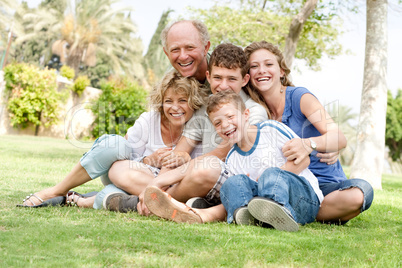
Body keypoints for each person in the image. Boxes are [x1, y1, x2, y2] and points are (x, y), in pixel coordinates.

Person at [106, 43, 268, 219]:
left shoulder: (252, 111)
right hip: (194, 178)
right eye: (218, 78)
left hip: (228, 179)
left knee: (207, 168)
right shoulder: (205, 107)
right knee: (118, 169)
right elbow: (179, 152)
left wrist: (161, 183)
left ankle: (150, 203)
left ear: (244, 80)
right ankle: (172, 200)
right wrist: (156, 184)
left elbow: (222, 153)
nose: (223, 85)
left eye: (231, 79)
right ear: (208, 76)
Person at [18, 71, 206, 208]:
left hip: (154, 185)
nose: (175, 107)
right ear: (161, 101)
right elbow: (125, 157)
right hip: (128, 173)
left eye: (183, 101)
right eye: (169, 101)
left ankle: (82, 201)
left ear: (193, 102)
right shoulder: (149, 120)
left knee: (112, 195)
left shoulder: (198, 128)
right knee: (116, 147)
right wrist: (150, 160)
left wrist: (184, 160)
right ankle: (57, 190)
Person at [143, 91, 324, 232]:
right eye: (218, 123)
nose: (226, 125)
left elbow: (303, 161)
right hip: (262, 204)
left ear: (246, 115)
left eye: (230, 117)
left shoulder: (271, 129)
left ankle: (281, 212)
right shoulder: (233, 158)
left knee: (271, 175)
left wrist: (267, 181)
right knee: (234, 183)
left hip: (302, 199)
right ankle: (244, 214)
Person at [243, 40, 373, 224]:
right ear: (248, 75)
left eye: (268, 64)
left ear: (281, 71)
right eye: (254, 66)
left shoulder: (299, 97)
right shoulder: (255, 112)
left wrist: (308, 144)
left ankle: (294, 211)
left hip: (326, 185)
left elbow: (339, 136)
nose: (261, 70)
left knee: (361, 192)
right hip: (292, 184)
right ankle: (293, 209)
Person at [161, 20, 210, 84]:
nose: (183, 57)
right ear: (167, 53)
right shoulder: (167, 86)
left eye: (190, 47)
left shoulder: (225, 68)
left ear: (206, 48)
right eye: (175, 49)